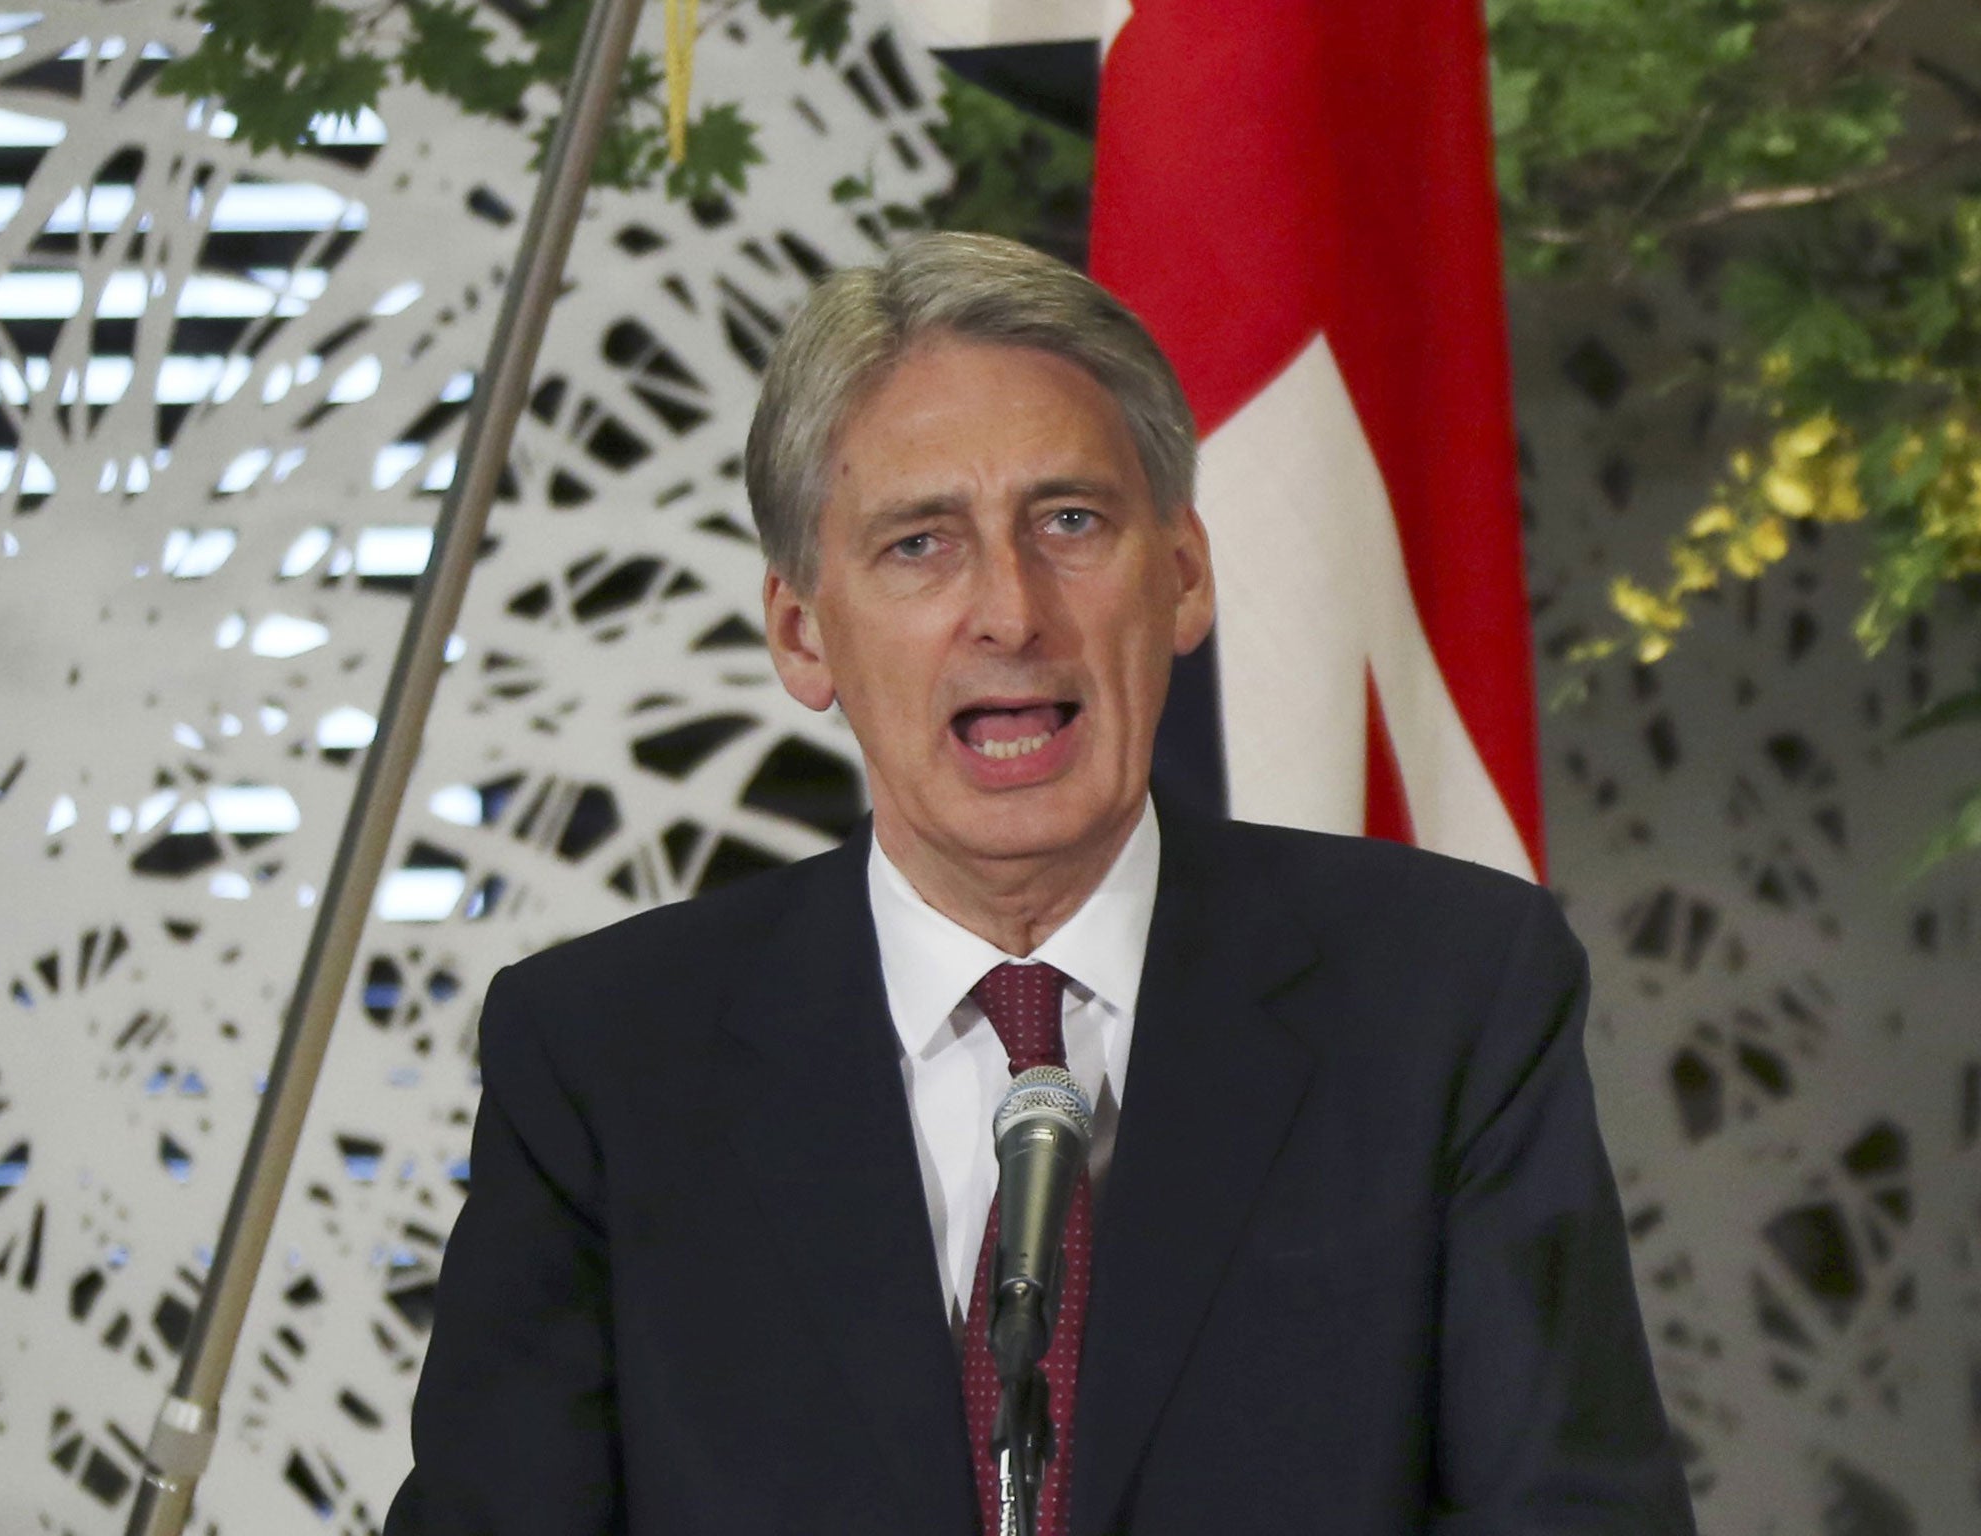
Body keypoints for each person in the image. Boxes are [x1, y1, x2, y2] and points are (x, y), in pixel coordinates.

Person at [384, 232, 1695, 1535]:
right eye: (919, 544)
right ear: (801, 630)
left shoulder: (1444, 1000)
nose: (1010, 611)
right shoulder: (609, 1060)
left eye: (1070, 522)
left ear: (1181, 576)